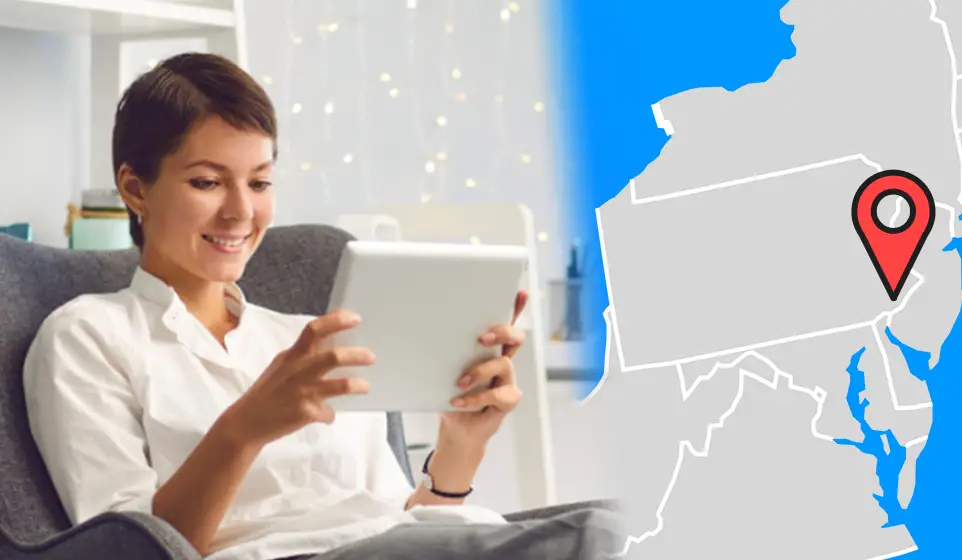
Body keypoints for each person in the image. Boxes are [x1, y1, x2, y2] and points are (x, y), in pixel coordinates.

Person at [21, 52, 620, 560]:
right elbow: (129, 551)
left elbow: (400, 521)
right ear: (134, 188)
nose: (240, 212)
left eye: (258, 183)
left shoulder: (312, 338)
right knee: (604, 534)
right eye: (207, 182)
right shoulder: (88, 337)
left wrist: (460, 444)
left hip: (382, 544)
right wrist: (244, 428)